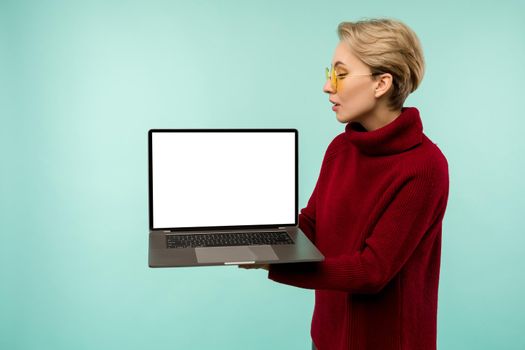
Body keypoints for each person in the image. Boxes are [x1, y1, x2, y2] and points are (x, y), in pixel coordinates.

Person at [239, 17, 449, 350]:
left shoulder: (425, 168)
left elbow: (371, 271)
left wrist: (271, 261)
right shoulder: (340, 148)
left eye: (341, 74)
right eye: (330, 73)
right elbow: (311, 224)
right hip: (326, 340)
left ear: (382, 84)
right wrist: (258, 232)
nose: (328, 86)